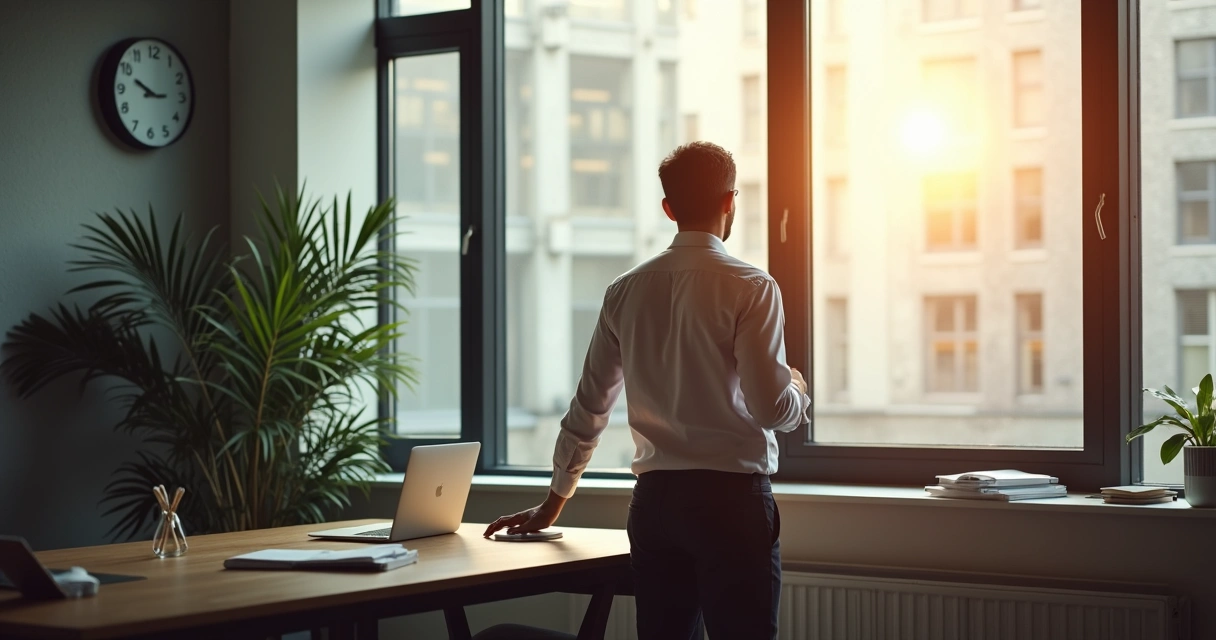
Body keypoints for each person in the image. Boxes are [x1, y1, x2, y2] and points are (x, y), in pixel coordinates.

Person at [483, 142, 809, 639]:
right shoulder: (752, 286)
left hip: (655, 505)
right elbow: (769, 408)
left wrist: (553, 501)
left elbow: (589, 407)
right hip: (732, 503)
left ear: (669, 209)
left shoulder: (625, 289)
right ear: (730, 201)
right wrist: (799, 393)